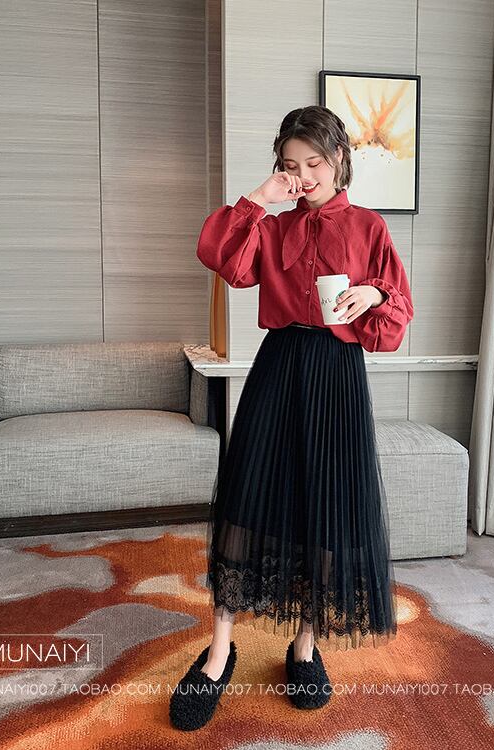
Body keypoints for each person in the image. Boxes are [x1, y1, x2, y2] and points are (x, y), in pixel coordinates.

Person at [169, 105, 414, 731]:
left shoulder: (369, 227)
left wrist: (374, 294)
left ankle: (304, 647)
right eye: (290, 165)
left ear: (339, 161)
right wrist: (259, 198)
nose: (303, 176)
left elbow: (395, 320)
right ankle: (218, 653)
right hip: (278, 366)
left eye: (314, 164)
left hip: (337, 373)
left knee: (323, 506)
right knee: (247, 499)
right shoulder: (273, 226)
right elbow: (219, 255)